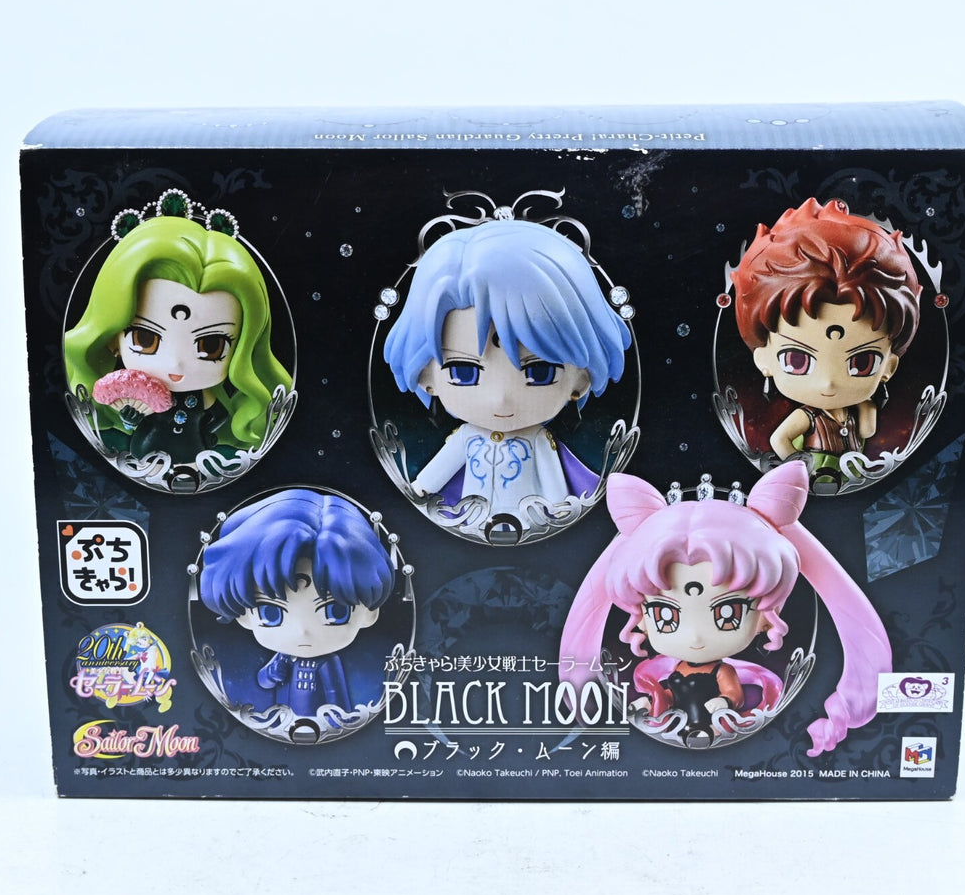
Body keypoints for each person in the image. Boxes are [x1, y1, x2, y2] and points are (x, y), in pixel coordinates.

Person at [559, 461, 890, 754]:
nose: (696, 636)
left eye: (727, 614)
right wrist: (654, 698)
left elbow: (732, 695)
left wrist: (724, 703)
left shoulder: (723, 673)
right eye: (665, 615)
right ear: (641, 620)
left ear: (766, 617)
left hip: (718, 721)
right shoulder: (673, 670)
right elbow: (666, 693)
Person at [383, 217, 631, 530]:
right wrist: (421, 488)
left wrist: (558, 510)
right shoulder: (466, 438)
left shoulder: (539, 440)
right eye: (463, 371)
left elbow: (555, 491)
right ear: (426, 378)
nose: (500, 398)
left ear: (580, 381)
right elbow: (438, 471)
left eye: (539, 372)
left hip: (530, 525)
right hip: (469, 522)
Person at [65, 210, 291, 467]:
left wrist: (208, 432)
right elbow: (133, 422)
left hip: (195, 449)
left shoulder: (204, 395)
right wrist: (130, 418)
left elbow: (217, 414)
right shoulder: (138, 399)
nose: (176, 363)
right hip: (147, 448)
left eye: (211, 346)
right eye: (145, 339)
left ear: (243, 347)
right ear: (112, 337)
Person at [732, 198, 921, 480]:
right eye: (797, 360)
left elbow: (868, 431)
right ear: (763, 360)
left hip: (852, 473)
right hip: (817, 474)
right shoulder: (807, 417)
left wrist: (866, 405)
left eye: (862, 362)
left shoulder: (854, 412)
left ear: (889, 367)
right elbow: (778, 440)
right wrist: (800, 468)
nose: (828, 382)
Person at [199, 489, 394, 720]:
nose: (302, 631)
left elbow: (338, 697)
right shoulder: (282, 657)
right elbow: (264, 680)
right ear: (243, 616)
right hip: (282, 719)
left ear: (370, 613)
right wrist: (271, 674)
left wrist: (338, 724)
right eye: (271, 613)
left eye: (335, 611)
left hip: (321, 723)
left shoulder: (328, 662)